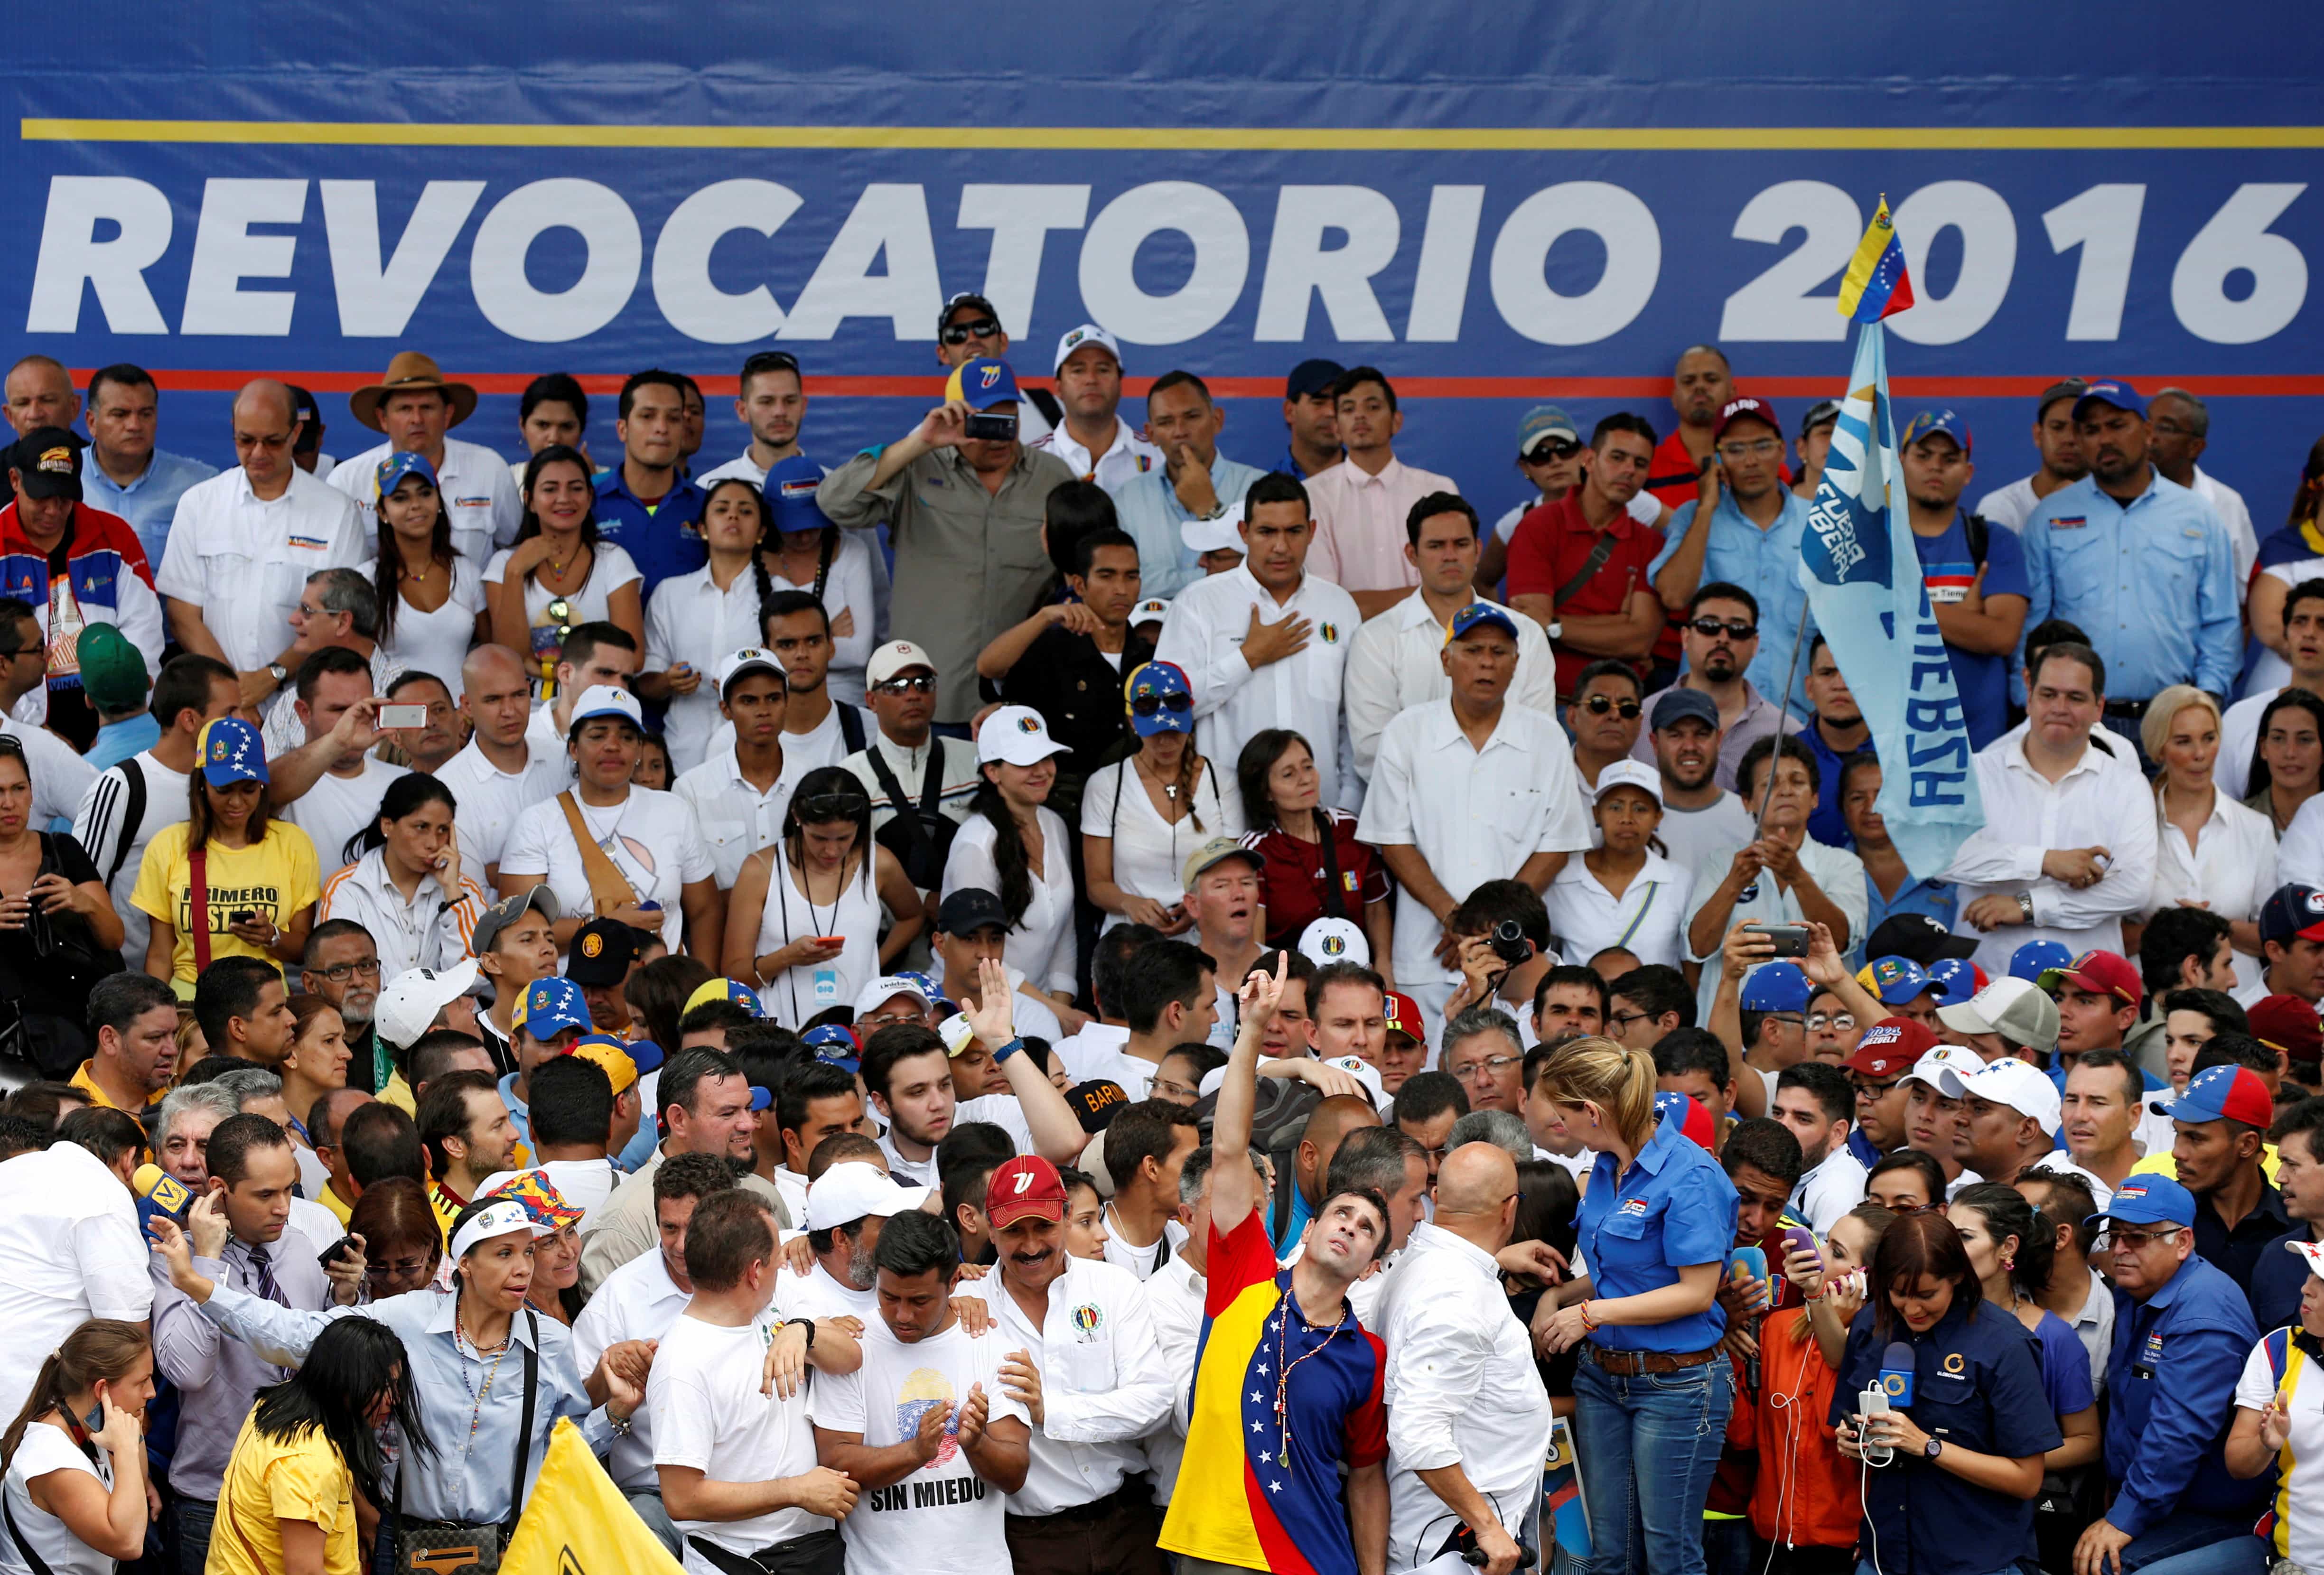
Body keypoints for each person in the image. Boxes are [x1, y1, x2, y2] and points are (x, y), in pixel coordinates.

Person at [151, 1190, 646, 1555]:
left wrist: (617, 1412)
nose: (522, 1268)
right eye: (504, 1254)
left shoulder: (550, 1342)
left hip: (511, 1544)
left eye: (527, 1252)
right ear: (465, 1265)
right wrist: (198, 1283)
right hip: (406, 1538)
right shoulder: (406, 1318)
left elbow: (565, 1450)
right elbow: (294, 1333)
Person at [1155, 954, 1391, 1575]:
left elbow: (1366, 1479)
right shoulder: (1244, 1276)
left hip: (1312, 1559)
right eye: (1342, 1212)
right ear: (1308, 1228)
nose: (1351, 1225)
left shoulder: (1365, 1352)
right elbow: (1229, 1145)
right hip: (1211, 1547)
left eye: (1368, 1227)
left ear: (1372, 1264)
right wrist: (1253, 1030)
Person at [1529, 1035, 1737, 1574]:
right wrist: (1560, 1294)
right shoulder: (1604, 1163)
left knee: (1669, 1554)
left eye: (1562, 1114)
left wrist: (1589, 1314)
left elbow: (1696, 1291)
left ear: (1593, 1113)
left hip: (1677, 1383)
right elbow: (1619, 1272)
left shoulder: (1691, 1174)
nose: (1559, 1127)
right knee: (1610, 1552)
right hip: (1603, 1378)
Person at [1362, 602, 1589, 1024]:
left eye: (1499, 652)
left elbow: (1556, 846)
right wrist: (1455, 917)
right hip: (1426, 959)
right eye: (1473, 650)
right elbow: (1392, 841)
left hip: (1516, 959)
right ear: (1446, 660)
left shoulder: (1546, 738)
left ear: (1517, 663)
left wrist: (1490, 929)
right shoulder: (1406, 732)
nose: (1486, 662)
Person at [817, 357, 1074, 727]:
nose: (999, 436)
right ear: (958, 416)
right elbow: (835, 502)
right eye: (985, 422)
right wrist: (920, 441)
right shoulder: (918, 467)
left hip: (1018, 703)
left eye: (1008, 421)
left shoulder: (1053, 479)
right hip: (924, 701)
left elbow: (1076, 573)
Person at [147, 1112, 339, 1568]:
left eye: (289, 1189)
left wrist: (348, 1296)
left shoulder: (299, 1246)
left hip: (306, 1487)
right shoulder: (176, 1257)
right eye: (265, 1195)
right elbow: (189, 1372)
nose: (283, 1208)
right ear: (220, 1188)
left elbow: (316, 1357)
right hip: (214, 1499)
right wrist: (207, 1263)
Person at [1828, 1212, 2061, 1575]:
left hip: (1973, 1560)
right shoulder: (1871, 1323)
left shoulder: (2003, 1344)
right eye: (1898, 1293)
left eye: (1927, 1294)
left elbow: (2026, 1479)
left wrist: (1927, 1446)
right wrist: (1853, 1441)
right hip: (1884, 1554)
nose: (1912, 1308)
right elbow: (1846, 1419)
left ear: (1955, 1277)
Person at [971, 1152, 1172, 1575]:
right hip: (1032, 1541)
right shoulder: (966, 1310)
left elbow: (1155, 1400)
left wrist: (1051, 1410)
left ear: (1064, 1218)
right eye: (1013, 1231)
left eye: (1043, 1226)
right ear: (990, 1230)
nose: (1030, 1246)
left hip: (1128, 1525)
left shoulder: (1114, 1287)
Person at [651, 1188, 863, 1575]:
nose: (785, 1263)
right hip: (736, 1562)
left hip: (813, 1553)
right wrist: (795, 1490)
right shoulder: (683, 1363)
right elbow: (682, 1499)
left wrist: (803, 1330)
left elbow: (850, 1357)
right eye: (777, 1257)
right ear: (754, 1272)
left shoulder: (775, 1299)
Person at [2077, 1174, 2269, 1574]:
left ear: (2182, 1242)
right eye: (2114, 1235)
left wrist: (2124, 1517)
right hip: (2160, 1496)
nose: (2120, 1249)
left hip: (2210, 1509)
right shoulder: (2137, 1291)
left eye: (2138, 1237)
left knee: (2106, 1566)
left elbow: (2177, 1434)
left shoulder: (2204, 1314)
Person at [1374, 1141, 1550, 1575]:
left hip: (1455, 1527)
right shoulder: (1455, 1292)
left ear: (1437, 1199)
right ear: (1510, 1209)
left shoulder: (1431, 1265)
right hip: (1452, 1541)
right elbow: (1417, 1430)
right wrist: (1485, 1526)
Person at [2021, 381, 2240, 728]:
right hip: (2076, 720)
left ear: (2148, 432)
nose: (2104, 439)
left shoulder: (2198, 515)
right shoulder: (2050, 517)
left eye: (2117, 425)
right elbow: (2032, 625)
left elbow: (2220, 622)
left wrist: (2207, 698)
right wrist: (2028, 701)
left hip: (2171, 720)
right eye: (2091, 430)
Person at [1154, 471, 1363, 815]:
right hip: (1228, 817)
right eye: (1267, 532)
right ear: (1244, 533)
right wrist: (1247, 657)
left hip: (1322, 816)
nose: (1280, 546)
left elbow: (1350, 721)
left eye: (1293, 531)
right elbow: (1165, 709)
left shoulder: (1338, 606)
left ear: (1311, 532)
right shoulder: (1198, 603)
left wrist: (1346, 807)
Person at [1942, 642, 2158, 973]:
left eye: (2075, 697)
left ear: (2098, 708)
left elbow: (2132, 889)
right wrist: (2044, 861)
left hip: (2085, 991)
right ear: (2028, 698)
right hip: (1987, 981)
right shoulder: (1975, 774)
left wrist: (2028, 906)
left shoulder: (2127, 786)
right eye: (2048, 694)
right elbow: (1941, 857)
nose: (2060, 707)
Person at [155, 380, 367, 696]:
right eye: (246, 440)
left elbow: (342, 620)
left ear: (295, 433)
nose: (258, 453)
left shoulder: (339, 511)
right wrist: (234, 693)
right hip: (217, 702)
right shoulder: (199, 503)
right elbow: (183, 614)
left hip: (305, 700)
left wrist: (271, 677)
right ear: (233, 429)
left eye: (272, 441)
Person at [1342, 493, 1555, 785]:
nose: (1450, 555)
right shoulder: (1376, 639)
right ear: (1412, 555)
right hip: (1412, 816)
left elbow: (1542, 739)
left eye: (1461, 544)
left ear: (1478, 550)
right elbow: (1373, 752)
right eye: (1436, 546)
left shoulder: (1527, 635)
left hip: (1509, 807)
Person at [500, 684, 720, 960]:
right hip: (576, 995)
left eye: (627, 737)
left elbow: (705, 909)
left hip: (663, 992)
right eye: (597, 736)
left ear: (639, 750)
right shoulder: (537, 823)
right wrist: (605, 925)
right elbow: (518, 929)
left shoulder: (674, 811)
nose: (613, 745)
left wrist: (703, 985)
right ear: (574, 749)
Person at [1650, 396, 1815, 717]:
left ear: (1783, 451)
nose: (1751, 460)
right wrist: (1706, 508)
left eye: (1762, 446)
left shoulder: (1819, 522)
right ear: (1717, 459)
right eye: (1736, 450)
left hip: (1797, 717)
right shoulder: (1693, 518)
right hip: (1707, 718)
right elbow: (1673, 595)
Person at [0, 428, 165, 746]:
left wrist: (120, 724)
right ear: (15, 481)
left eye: (64, 499)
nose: (53, 510)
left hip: (116, 723)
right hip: (19, 731)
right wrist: (38, 734)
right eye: (41, 497)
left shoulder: (115, 537)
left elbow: (145, 638)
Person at [579, 1048, 791, 1293]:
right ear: (679, 1119)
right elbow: (613, 1325)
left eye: (748, 1109)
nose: (747, 1124)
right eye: (728, 1113)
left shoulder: (763, 1193)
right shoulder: (627, 1220)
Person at [131, 716, 317, 989]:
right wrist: (156, 1019)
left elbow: (304, 948)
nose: (237, 802)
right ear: (201, 785)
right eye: (224, 790)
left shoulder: (292, 843)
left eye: (249, 789)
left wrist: (271, 936)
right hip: (192, 996)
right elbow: (160, 954)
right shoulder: (168, 846)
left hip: (265, 999)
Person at [727, 765, 921, 1027]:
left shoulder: (879, 863)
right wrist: (788, 957)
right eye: (819, 838)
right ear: (797, 817)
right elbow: (733, 975)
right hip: (781, 1040)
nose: (832, 850)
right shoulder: (760, 870)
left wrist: (874, 965)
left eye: (844, 838)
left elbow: (913, 915)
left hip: (858, 1035)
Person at [1504, 411, 1669, 697]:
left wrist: (1554, 624)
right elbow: (1530, 627)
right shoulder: (1537, 525)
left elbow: (1639, 641)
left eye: (1640, 463)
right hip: (1545, 704)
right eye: (1617, 457)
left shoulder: (1651, 544)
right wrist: (1618, 622)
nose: (1629, 470)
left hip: (1622, 712)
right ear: (1589, 460)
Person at [1895, 410, 2032, 750]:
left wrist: (1908, 605)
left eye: (1949, 458)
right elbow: (1866, 628)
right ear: (1900, 462)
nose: (1935, 466)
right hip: (1891, 740)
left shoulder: (1993, 540)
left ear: (1968, 472)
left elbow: (2001, 636)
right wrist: (1965, 619)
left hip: (1980, 745)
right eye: (1923, 456)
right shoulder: (1876, 543)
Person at [983, 519, 1152, 795]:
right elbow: (989, 667)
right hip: (1064, 808)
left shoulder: (1153, 658)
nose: (1121, 589)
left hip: (1137, 806)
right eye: (1107, 576)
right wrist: (1046, 615)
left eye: (1131, 577)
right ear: (1080, 585)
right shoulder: (1051, 651)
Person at [639, 475, 784, 773]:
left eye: (745, 511)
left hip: (757, 753)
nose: (733, 516)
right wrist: (669, 681)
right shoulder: (671, 593)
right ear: (702, 530)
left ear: (761, 532)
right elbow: (645, 681)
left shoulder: (783, 598)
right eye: (722, 509)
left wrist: (750, 682)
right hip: (684, 753)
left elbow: (799, 676)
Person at [1081, 661, 1236, 935]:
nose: (1166, 742)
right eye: (1155, 732)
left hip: (1206, 937)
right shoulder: (1106, 785)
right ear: (1133, 723)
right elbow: (1096, 885)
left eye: (1175, 731)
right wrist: (1129, 903)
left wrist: (1199, 906)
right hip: (1130, 941)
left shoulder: (1222, 781)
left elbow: (1233, 870)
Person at [941, 705, 1079, 1013]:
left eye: (1046, 757)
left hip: (1042, 1006)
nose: (1042, 770)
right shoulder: (975, 844)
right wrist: (1056, 1012)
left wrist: (1060, 1004)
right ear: (992, 771)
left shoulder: (1054, 824)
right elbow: (979, 954)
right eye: (1026, 762)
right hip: (981, 1008)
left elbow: (1064, 931)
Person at [328, 351, 520, 562]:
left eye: (427, 408)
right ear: (383, 419)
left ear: (447, 414)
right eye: (405, 409)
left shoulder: (490, 469)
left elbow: (514, 552)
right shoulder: (347, 480)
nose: (417, 419)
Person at [0, 1319, 155, 1575]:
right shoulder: (51, 1456)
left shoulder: (88, 1425)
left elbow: (135, 1488)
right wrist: (126, 1448)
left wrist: (133, 1432)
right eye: (142, 1382)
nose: (152, 1392)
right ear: (102, 1388)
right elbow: (128, 1542)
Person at [1301, 368, 1459, 619]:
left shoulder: (1438, 490)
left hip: (1429, 636)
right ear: (1338, 427)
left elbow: (1453, 589)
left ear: (1397, 421)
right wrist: (1428, 596)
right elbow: (1326, 601)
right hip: (1346, 642)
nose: (1360, 416)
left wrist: (1363, 604)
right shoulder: (1312, 495)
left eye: (1373, 407)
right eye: (1349, 409)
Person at [488, 444, 646, 692]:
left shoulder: (614, 560)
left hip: (597, 710)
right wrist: (515, 572)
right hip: (527, 716)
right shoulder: (505, 564)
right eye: (550, 489)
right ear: (529, 501)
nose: (564, 498)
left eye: (576, 488)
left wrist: (543, 669)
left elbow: (633, 658)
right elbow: (509, 659)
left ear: (590, 497)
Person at [313, 774, 486, 983]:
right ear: (387, 826)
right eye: (421, 827)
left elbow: (477, 978)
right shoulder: (346, 887)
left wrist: (453, 894)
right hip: (372, 1016)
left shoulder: (463, 889)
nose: (433, 843)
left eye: (443, 830)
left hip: (450, 1015)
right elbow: (342, 979)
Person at [1236, 727, 1391, 961]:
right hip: (1289, 977)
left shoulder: (1350, 829)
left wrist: (1384, 967)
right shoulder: (1257, 851)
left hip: (1355, 974)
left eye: (1308, 767)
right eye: (1289, 775)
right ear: (1266, 792)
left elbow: (1376, 908)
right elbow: (1255, 939)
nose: (1305, 779)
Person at [1108, 370, 1265, 601]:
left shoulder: (1260, 489)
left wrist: (1209, 508)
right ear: (1151, 434)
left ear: (1217, 421)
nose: (1180, 431)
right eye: (1166, 422)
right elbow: (1119, 584)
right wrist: (1208, 576)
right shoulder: (1127, 499)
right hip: (1151, 633)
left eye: (1192, 417)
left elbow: (1266, 574)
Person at [1629, 583, 1800, 790]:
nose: (1723, 639)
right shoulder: (1640, 722)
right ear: (1686, 637)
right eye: (1709, 627)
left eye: (1737, 630)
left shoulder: (1785, 732)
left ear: (1755, 644)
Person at [840, 639, 980, 880]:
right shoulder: (850, 777)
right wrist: (920, 904)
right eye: (897, 686)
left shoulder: (975, 761)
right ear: (871, 701)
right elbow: (849, 872)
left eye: (923, 684)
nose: (913, 695)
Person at [265, 647, 411, 877]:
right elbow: (268, 789)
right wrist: (338, 743)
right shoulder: (288, 778)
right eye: (340, 710)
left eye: (365, 707)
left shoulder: (403, 784)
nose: (355, 718)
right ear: (304, 712)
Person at [1545, 758, 1693, 970]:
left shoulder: (1679, 880)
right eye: (1615, 807)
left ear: (1658, 818)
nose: (1627, 818)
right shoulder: (1563, 877)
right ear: (1597, 814)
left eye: (1640, 809)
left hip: (1656, 1003)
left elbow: (1690, 960)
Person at [2168, 1062, 2293, 1297]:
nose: (2177, 1152)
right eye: (2178, 1133)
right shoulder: (2162, 1220)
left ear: (2247, 1145)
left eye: (2195, 1139)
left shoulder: (2297, 1232)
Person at [75, 363, 217, 567]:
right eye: (120, 414)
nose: (135, 425)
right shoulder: (64, 478)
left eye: (145, 414)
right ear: (91, 422)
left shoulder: (198, 486)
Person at [2220, 578, 2324, 801]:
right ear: (2286, 633)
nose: (2309, 633)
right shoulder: (2241, 717)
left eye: (2323, 624)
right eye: (2300, 621)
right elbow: (2221, 812)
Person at [1643, 687, 1758, 876]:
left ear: (1719, 740)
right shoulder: (1635, 820)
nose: (1690, 746)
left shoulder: (1749, 819)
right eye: (1676, 735)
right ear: (1655, 744)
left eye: (1702, 734)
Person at [2248, 690, 2324, 838]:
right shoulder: (2233, 823)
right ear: (2264, 748)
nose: (2290, 753)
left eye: (2305, 740)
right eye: (2278, 739)